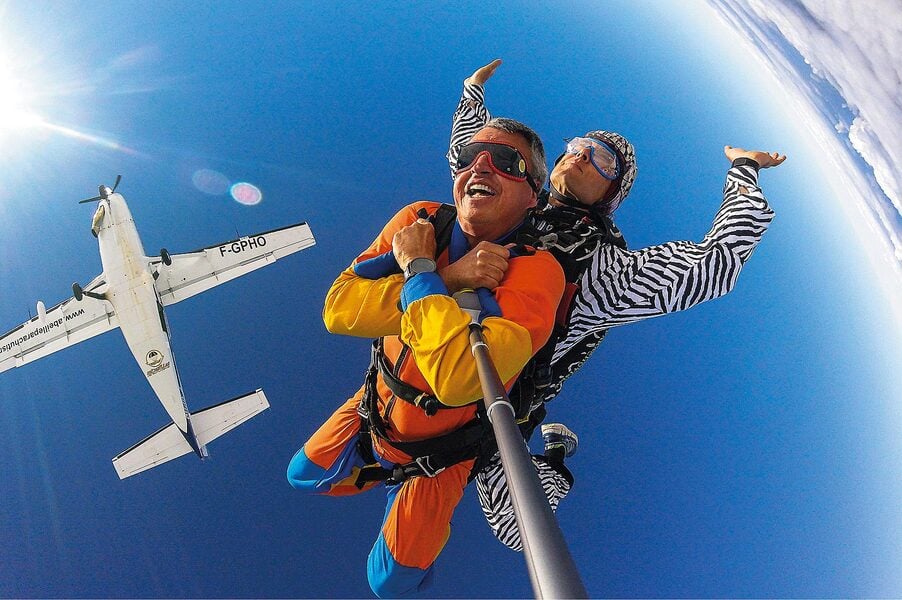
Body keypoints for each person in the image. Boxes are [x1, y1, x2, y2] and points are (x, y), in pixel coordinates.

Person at [447, 59, 787, 552]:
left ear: (611, 193)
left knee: (519, 531)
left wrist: (744, 169)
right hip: (442, 357)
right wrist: (472, 93)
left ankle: (556, 457)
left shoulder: (602, 269)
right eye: (576, 147)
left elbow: (715, 264)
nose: (581, 157)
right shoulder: (509, 198)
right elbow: (470, 153)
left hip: (499, 401)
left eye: (601, 159)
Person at [287, 118, 567, 598]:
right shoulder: (421, 220)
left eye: (506, 161)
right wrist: (450, 279)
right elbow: (338, 309)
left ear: (534, 195)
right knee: (301, 476)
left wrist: (420, 271)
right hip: (371, 404)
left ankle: (396, 479)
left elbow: (458, 378)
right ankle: (375, 471)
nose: (481, 165)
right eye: (470, 156)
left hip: (443, 452)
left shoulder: (537, 273)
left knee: (389, 584)